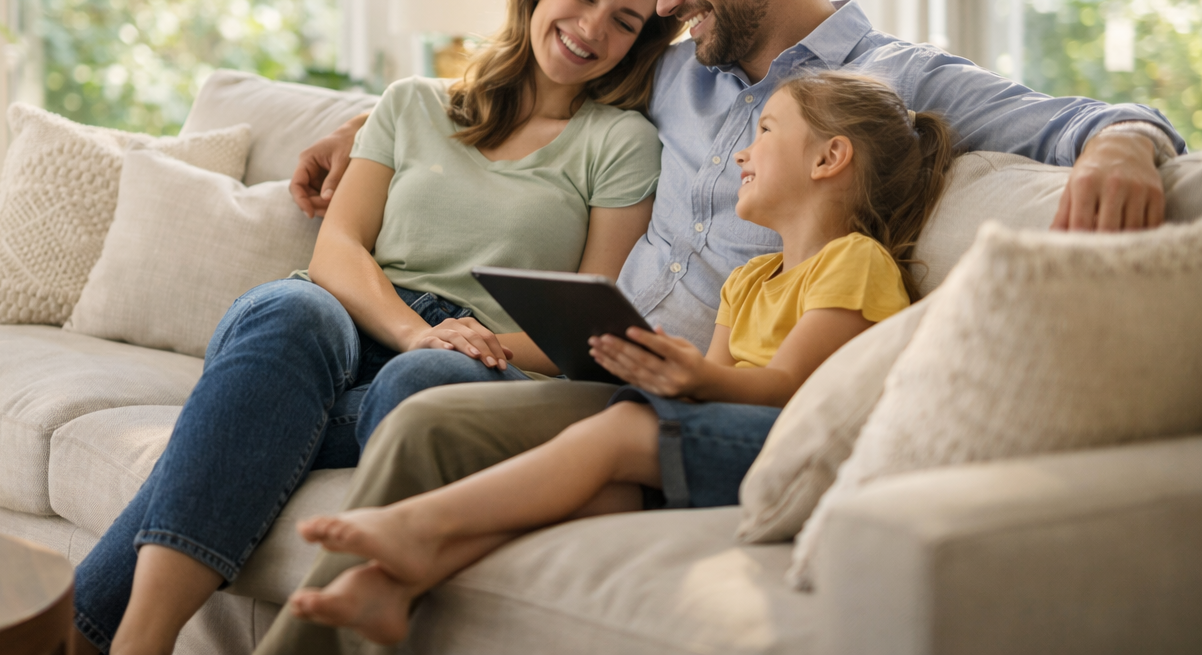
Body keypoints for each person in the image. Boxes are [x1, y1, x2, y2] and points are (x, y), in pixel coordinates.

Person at [257, 0, 1183, 655]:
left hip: (698, 387)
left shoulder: (894, 81)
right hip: (594, 366)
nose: (662, 2)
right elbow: (533, 79)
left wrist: (1125, 144)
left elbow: (1086, 119)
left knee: (423, 408)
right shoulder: (673, 69)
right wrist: (362, 125)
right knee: (420, 400)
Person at [71, 0, 678, 655]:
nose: (591, 28)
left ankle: (80, 634)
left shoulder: (620, 143)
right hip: (345, 315)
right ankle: (142, 642)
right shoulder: (412, 104)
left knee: (419, 381)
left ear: (640, 43)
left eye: (623, 22)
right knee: (293, 312)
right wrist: (414, 326)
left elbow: (579, 326)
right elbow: (340, 248)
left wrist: (475, 343)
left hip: (480, 352)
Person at [285, 70, 954, 644]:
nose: (744, 155)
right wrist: (670, 370)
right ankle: (398, 584)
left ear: (829, 158)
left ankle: (414, 525)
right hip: (714, 429)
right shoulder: (751, 279)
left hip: (791, 445)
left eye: (767, 132)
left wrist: (691, 373)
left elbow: (792, 390)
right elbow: (716, 384)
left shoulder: (854, 263)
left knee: (621, 429)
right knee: (598, 487)